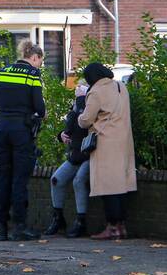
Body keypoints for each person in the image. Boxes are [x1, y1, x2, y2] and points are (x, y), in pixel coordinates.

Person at [0, 41, 45, 241]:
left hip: (1, 129)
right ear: (34, 57)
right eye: (40, 61)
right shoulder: (32, 75)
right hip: (21, 131)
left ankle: (1, 228)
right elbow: (39, 107)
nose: (39, 65)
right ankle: (20, 226)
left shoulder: (3, 71)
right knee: (19, 179)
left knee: (3, 178)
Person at [78, 62, 137, 240]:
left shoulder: (96, 91)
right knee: (122, 185)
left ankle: (111, 227)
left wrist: (80, 107)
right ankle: (121, 227)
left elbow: (86, 120)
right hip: (124, 141)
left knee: (108, 187)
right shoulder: (121, 87)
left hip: (105, 142)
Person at [44, 82, 91, 238]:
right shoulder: (75, 107)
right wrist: (61, 135)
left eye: (80, 88)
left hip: (89, 154)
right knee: (56, 180)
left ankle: (81, 222)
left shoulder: (90, 105)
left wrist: (81, 101)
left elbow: (83, 124)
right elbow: (70, 127)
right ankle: (58, 218)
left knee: (79, 181)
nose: (77, 89)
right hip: (75, 154)